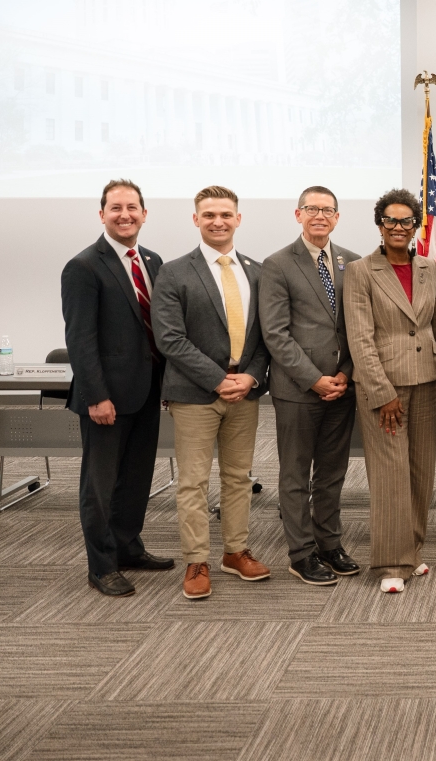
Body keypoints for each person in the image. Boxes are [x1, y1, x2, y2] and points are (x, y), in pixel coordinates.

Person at [150, 186, 271, 600]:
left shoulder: (258, 272)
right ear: (196, 220)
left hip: (245, 393)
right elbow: (170, 338)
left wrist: (251, 377)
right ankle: (196, 560)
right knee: (194, 482)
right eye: (209, 215)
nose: (218, 221)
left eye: (225, 214)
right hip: (194, 393)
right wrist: (219, 379)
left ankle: (235, 551)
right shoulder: (173, 272)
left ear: (238, 219)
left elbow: (266, 337)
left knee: (239, 477)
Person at [61, 179, 175, 597]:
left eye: (132, 207)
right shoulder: (83, 266)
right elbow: (80, 338)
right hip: (106, 398)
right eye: (115, 208)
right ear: (102, 214)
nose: (124, 215)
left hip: (146, 392)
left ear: (144, 214)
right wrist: (96, 396)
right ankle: (102, 566)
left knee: (136, 478)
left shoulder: (153, 260)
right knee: (100, 485)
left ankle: (128, 547)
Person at [345, 189, 436, 593]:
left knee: (421, 471)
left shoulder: (427, 267)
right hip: (384, 387)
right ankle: (391, 562)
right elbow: (360, 337)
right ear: (380, 224)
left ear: (415, 226)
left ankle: (412, 550)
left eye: (407, 221)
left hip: (426, 380)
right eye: (391, 220)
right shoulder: (361, 271)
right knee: (390, 474)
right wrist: (381, 391)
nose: (398, 227)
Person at [259, 186, 361, 587]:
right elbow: (275, 334)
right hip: (298, 390)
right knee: (296, 475)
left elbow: (359, 327)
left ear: (337, 217)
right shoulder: (278, 264)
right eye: (312, 209)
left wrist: (346, 373)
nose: (320, 216)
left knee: (332, 474)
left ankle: (329, 544)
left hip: (342, 388)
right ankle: (301, 553)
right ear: (298, 214)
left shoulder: (353, 262)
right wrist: (314, 380)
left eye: (327, 210)